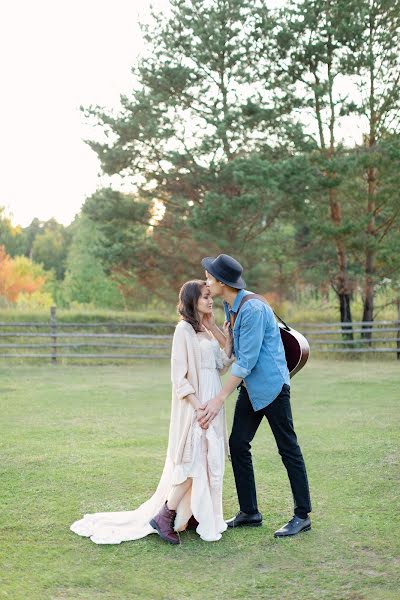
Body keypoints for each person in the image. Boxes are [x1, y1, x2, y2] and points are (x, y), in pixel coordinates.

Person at [70, 280, 233, 545]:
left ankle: (190, 514)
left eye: (209, 296)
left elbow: (224, 363)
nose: (210, 300)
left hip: (213, 401)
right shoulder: (183, 330)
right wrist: (197, 406)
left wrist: (215, 326)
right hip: (197, 405)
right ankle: (164, 515)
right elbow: (178, 378)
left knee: (208, 458)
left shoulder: (206, 330)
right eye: (205, 297)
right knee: (192, 459)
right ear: (192, 301)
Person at [197, 254, 312, 537]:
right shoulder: (229, 305)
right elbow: (236, 351)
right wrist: (212, 326)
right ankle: (250, 512)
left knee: (288, 448)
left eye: (210, 277)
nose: (206, 282)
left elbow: (245, 362)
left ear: (223, 282)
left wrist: (218, 398)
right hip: (250, 387)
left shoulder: (253, 309)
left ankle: (302, 515)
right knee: (237, 444)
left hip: (272, 387)